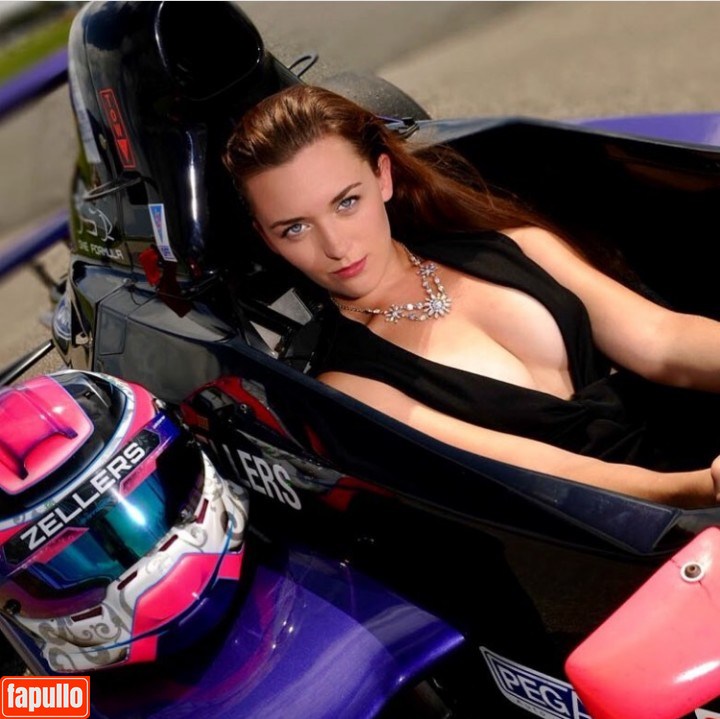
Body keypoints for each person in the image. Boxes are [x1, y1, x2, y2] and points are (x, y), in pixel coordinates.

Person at [223, 84, 720, 509]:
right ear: (268, 239)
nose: (336, 246)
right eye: (295, 228)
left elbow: (664, 341)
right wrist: (698, 490)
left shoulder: (510, 243)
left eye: (347, 202)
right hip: (647, 525)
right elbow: (544, 472)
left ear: (383, 177)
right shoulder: (352, 387)